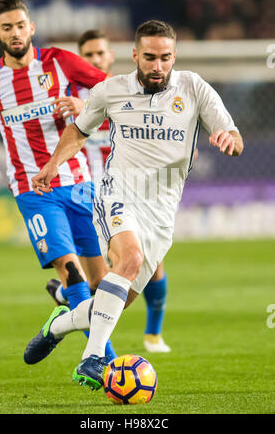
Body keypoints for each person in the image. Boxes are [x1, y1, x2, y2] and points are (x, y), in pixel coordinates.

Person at [24, 20, 244, 390]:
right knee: (131, 260)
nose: (158, 66)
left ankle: (58, 324)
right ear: (134, 55)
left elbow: (236, 139)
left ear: (175, 56)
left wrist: (227, 138)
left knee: (113, 303)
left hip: (162, 211)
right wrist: (51, 165)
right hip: (117, 192)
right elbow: (78, 131)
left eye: (166, 58)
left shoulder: (193, 87)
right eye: (150, 58)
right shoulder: (110, 91)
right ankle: (92, 359)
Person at [0, 0, 117, 361]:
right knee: (72, 273)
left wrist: (85, 106)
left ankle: (59, 320)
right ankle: (102, 362)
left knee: (103, 283)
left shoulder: (59, 61)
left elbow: (115, 94)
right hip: (32, 189)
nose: (15, 33)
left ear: (31, 27)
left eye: (21, 25)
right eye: (7, 27)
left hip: (79, 181)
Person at [46, 29, 171, 353]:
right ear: (79, 60)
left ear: (112, 56)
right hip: (87, 193)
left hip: (129, 193)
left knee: (147, 264)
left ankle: (153, 335)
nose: (95, 59)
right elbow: (67, 135)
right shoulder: (64, 98)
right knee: (115, 272)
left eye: (100, 53)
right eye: (88, 55)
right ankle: (92, 343)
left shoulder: (130, 94)